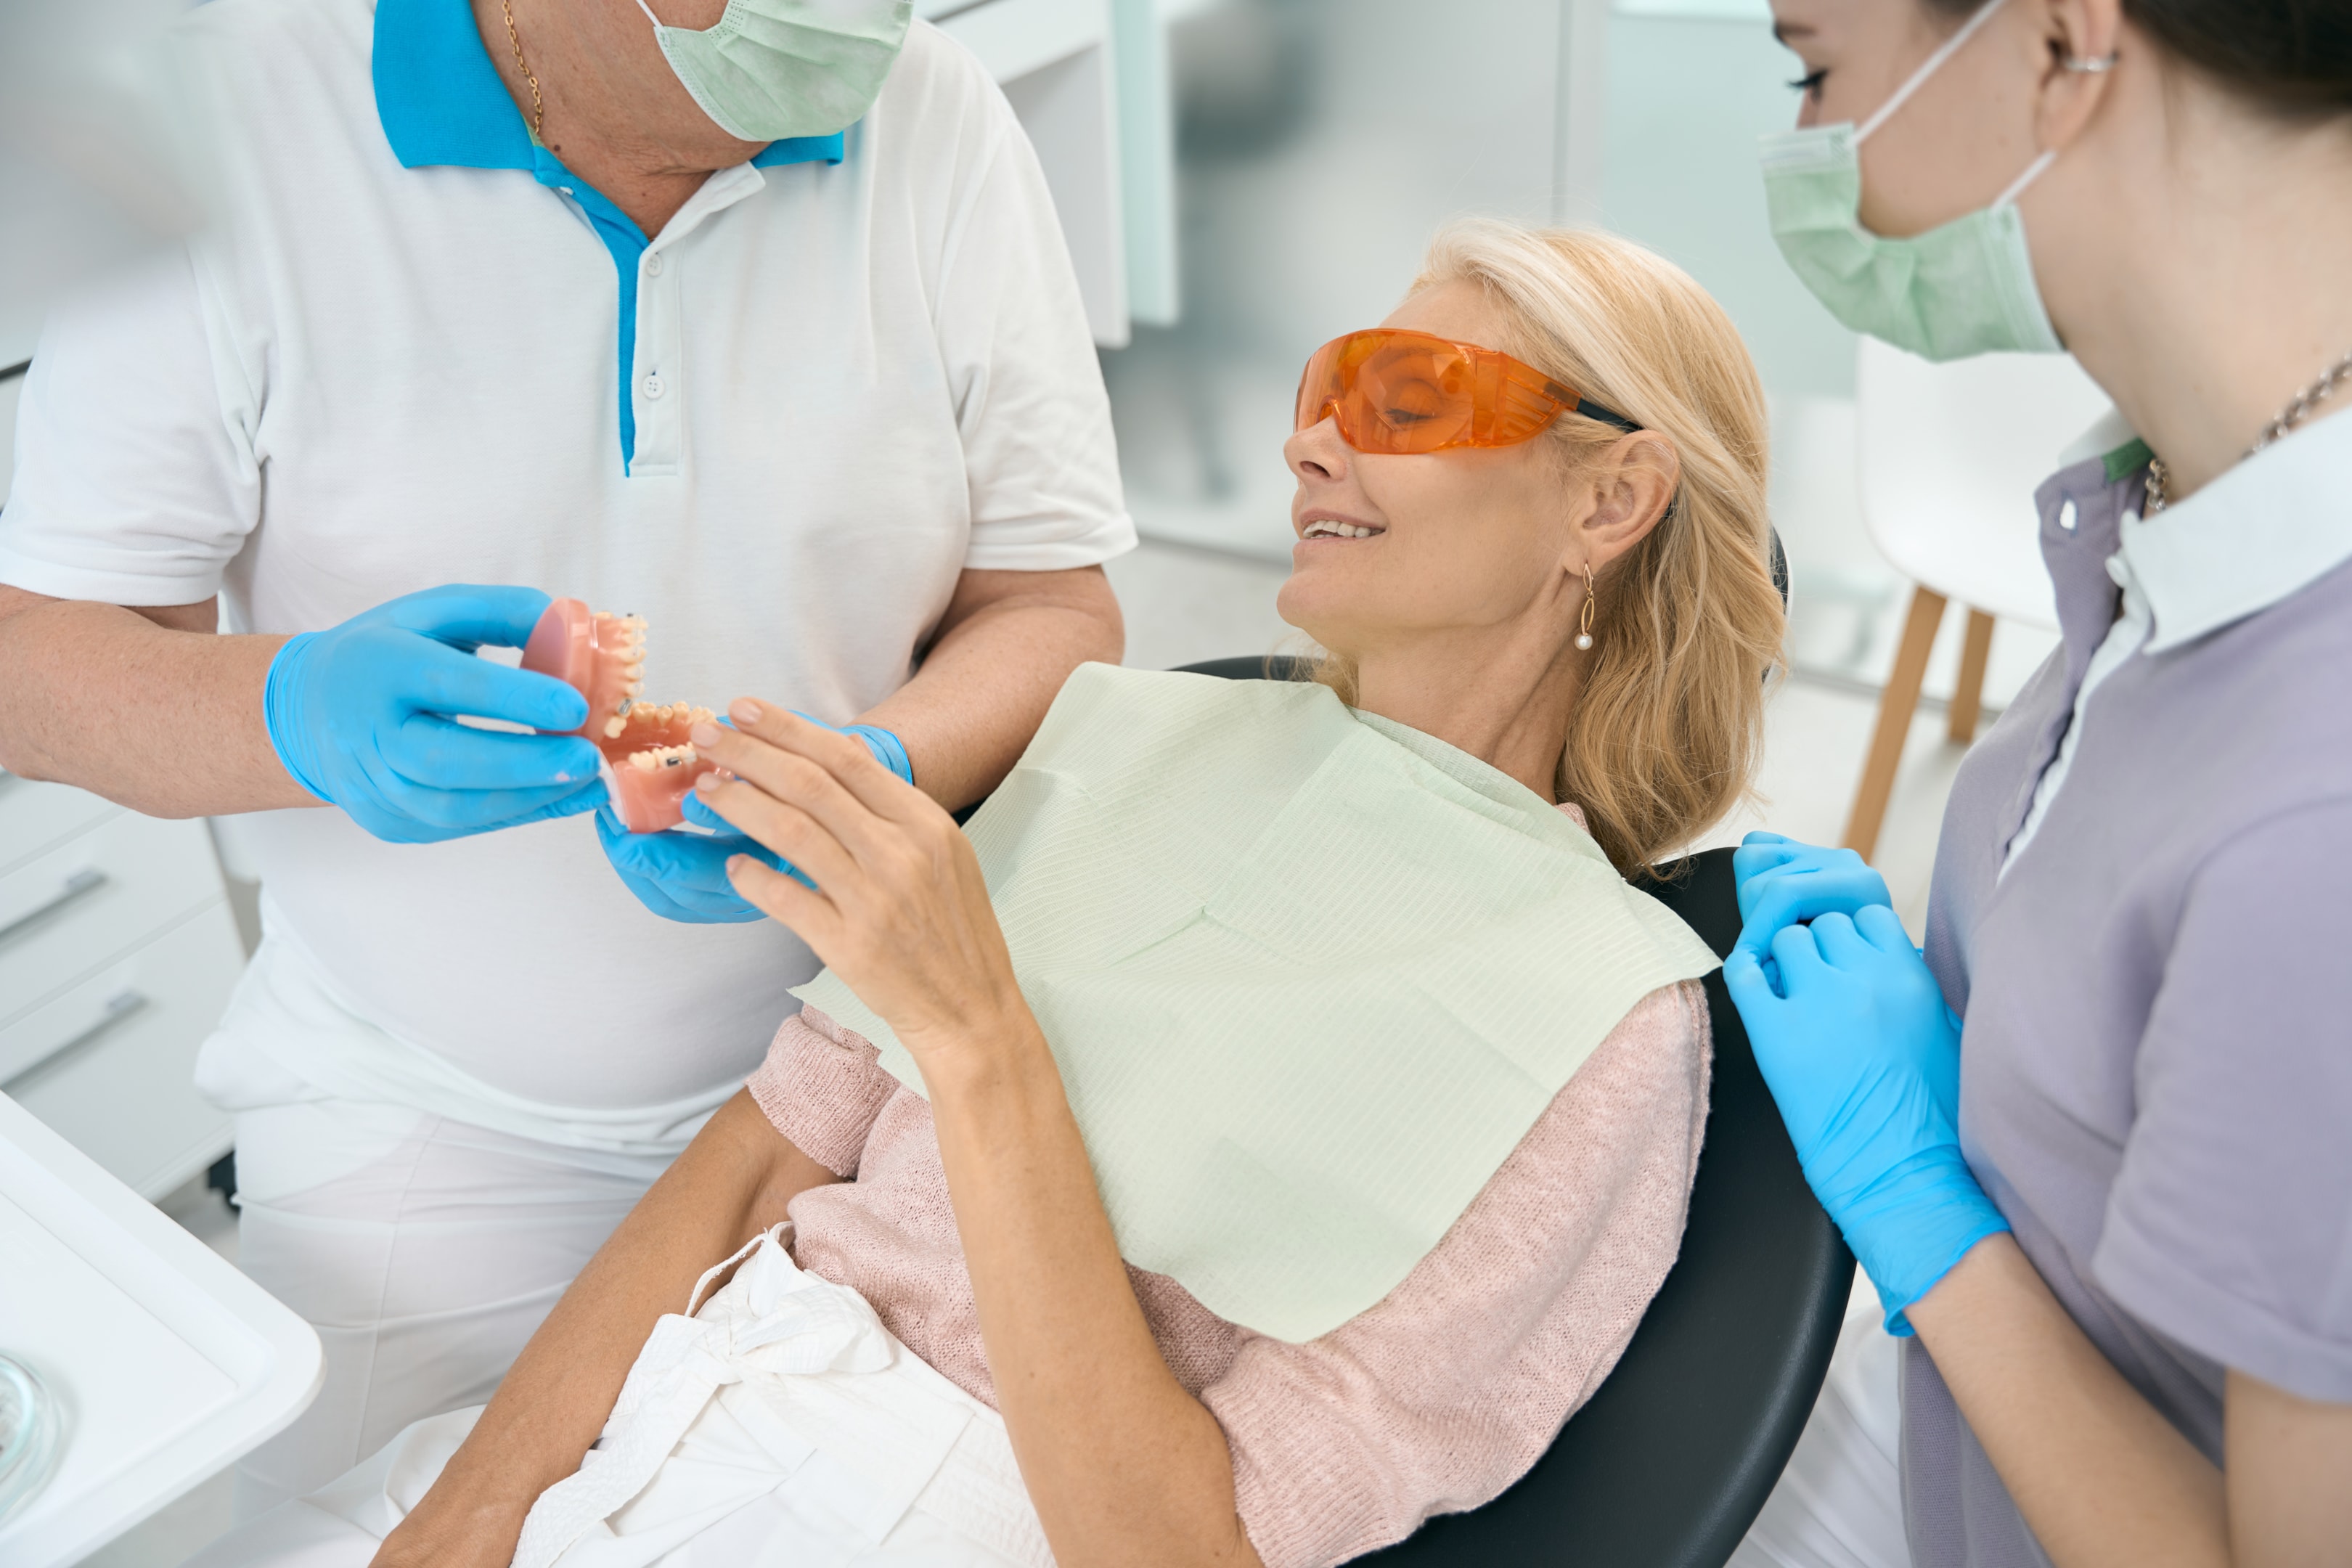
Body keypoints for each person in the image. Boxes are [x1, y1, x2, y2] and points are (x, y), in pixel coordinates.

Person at [181, 220, 1787, 1568]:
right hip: (679, 1394)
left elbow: (1183, 1553)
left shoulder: (1604, 1025)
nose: (1312, 443)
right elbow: (754, 1166)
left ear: (1608, 501)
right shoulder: (1139, 742)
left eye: (1408, 398)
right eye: (1323, 392)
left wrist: (978, 1038)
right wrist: (467, 1517)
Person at [0, 0, 1131, 1514]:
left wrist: (868, 771)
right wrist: (289, 711)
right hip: (428, 1116)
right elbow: (37, 663)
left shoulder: (935, 114)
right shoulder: (214, 115)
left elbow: (1054, 606)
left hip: (873, 1083)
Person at [1722, 1, 2352, 1565]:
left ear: (2064, 44)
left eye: (1814, 70)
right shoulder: (2180, 507)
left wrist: (1925, 1209)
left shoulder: (2314, 824)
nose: (1808, 147)